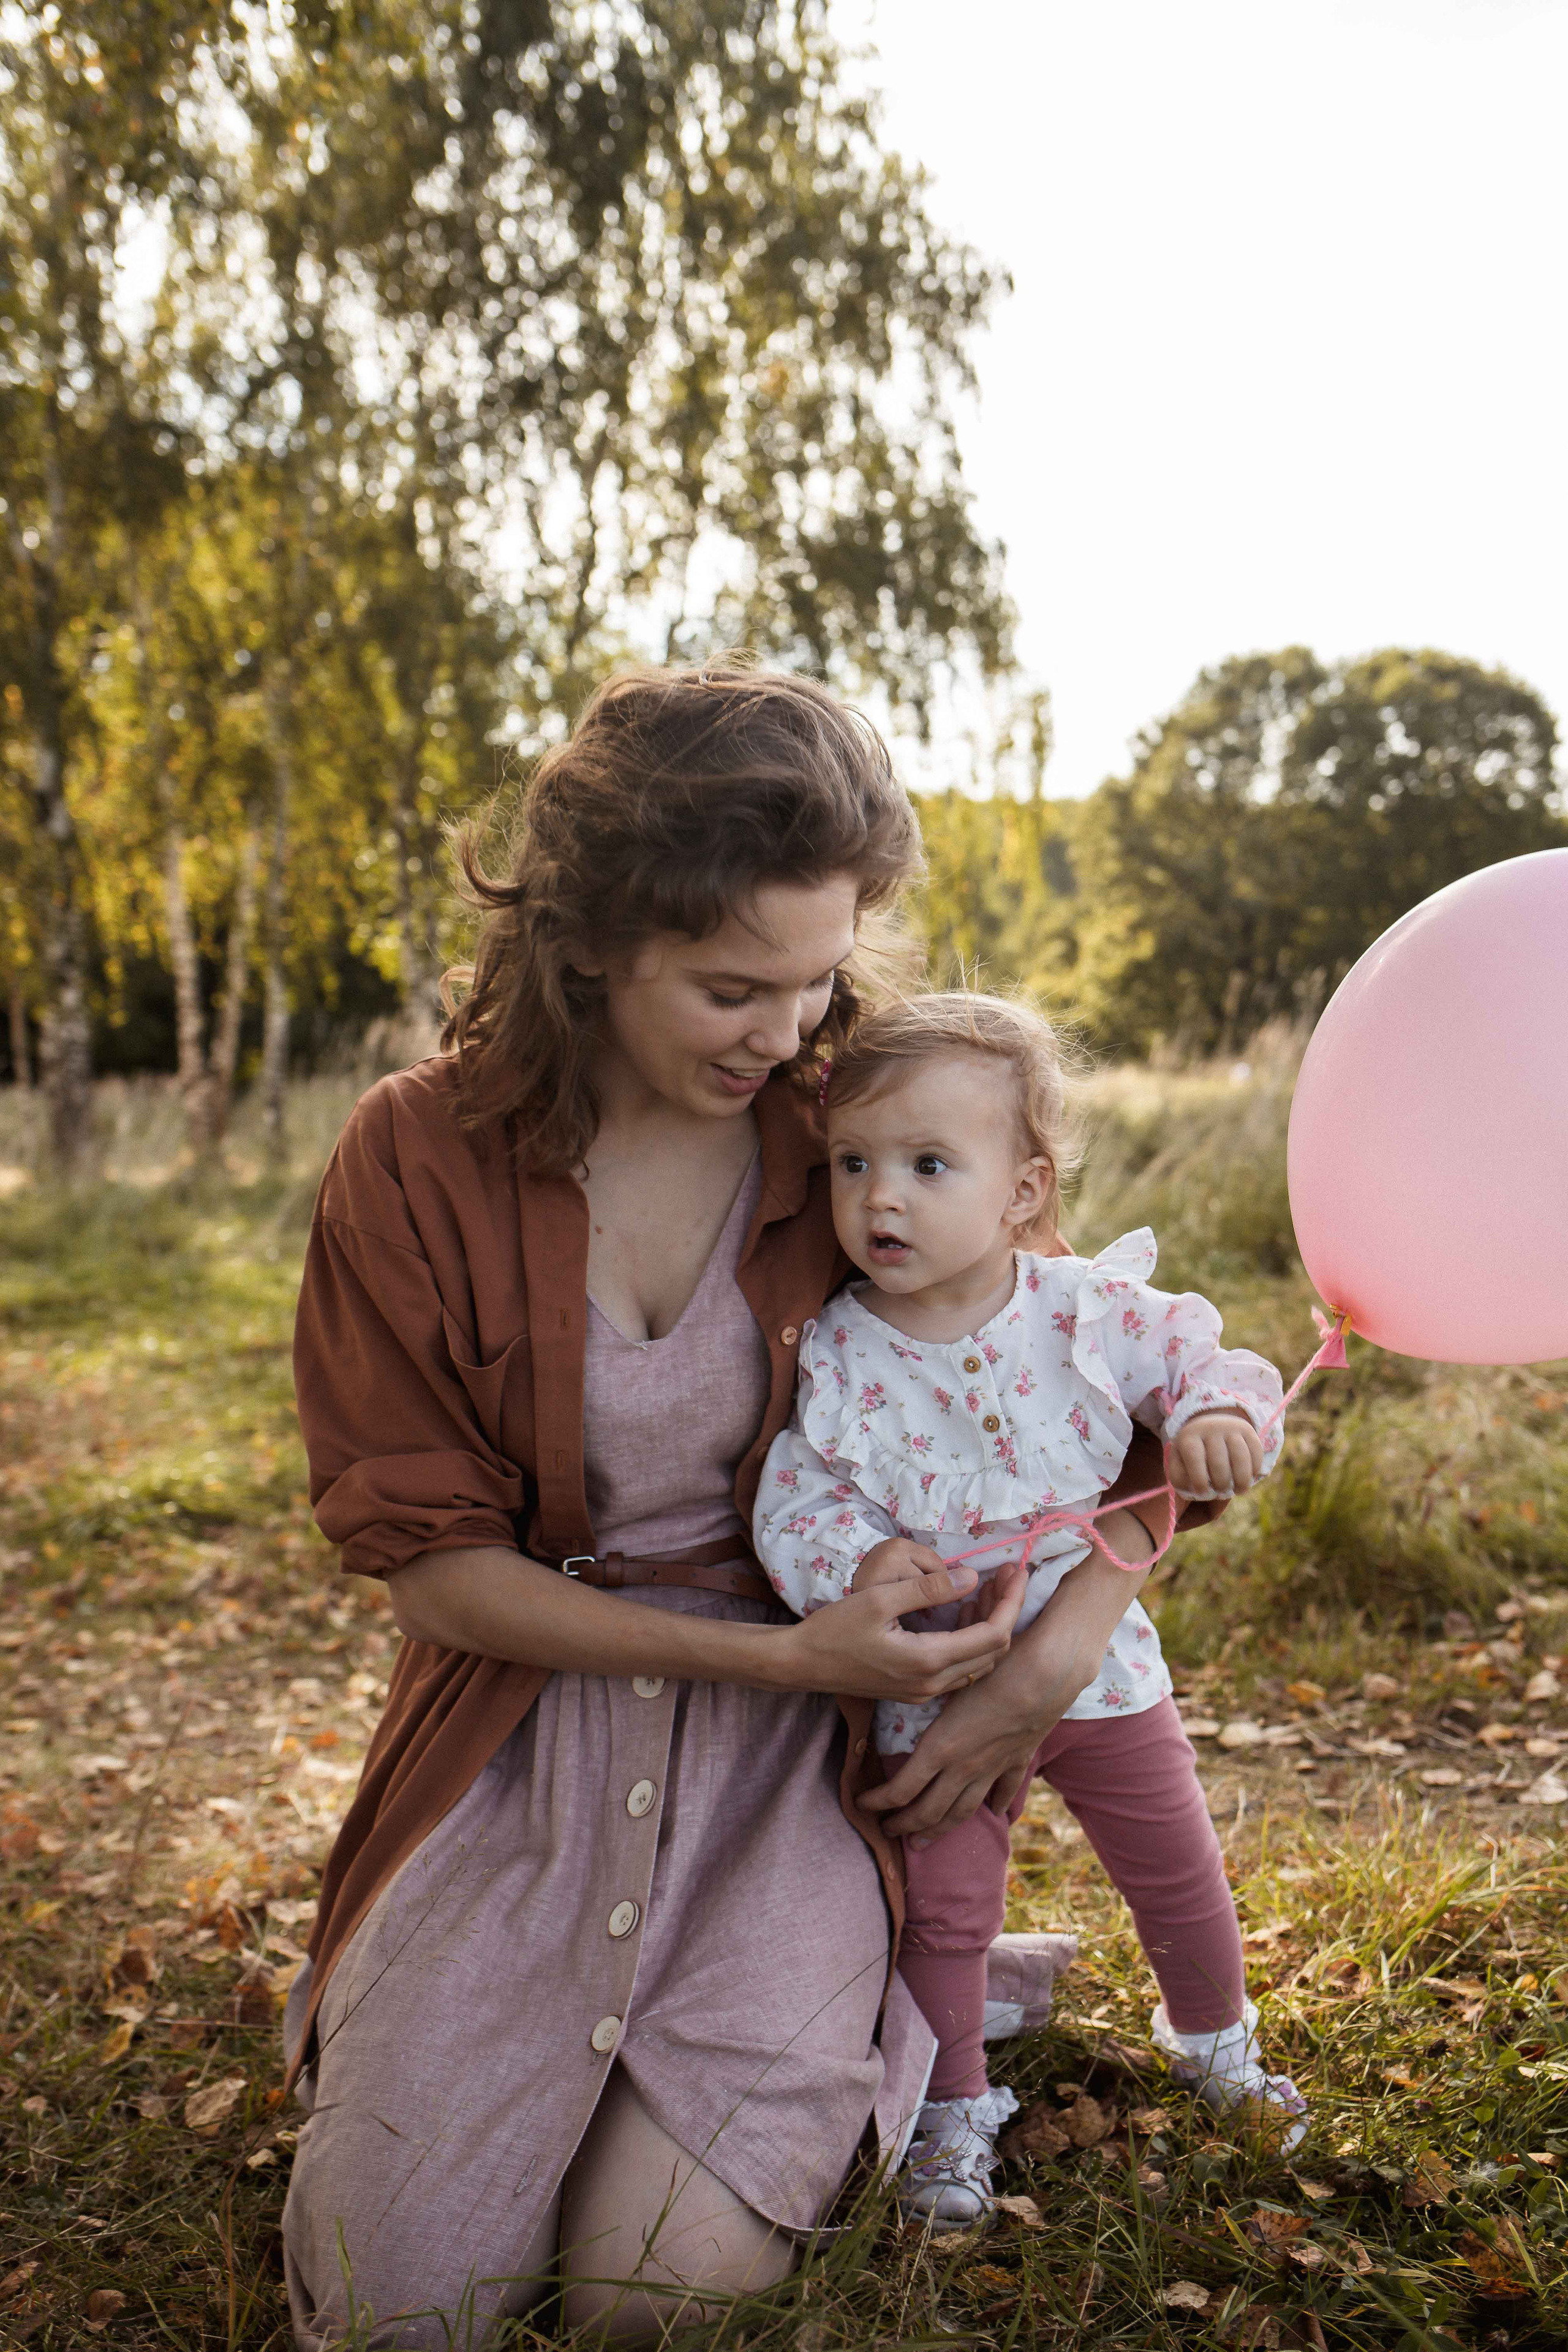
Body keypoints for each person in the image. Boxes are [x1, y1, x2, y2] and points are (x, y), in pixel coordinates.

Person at [280, 663, 1194, 2349]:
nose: (789, 1033)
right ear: (591, 941)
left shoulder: (845, 1133)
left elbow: (1092, 1392)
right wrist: (794, 1662)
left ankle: (873, 1993)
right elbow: (434, 1570)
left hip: (803, 1781)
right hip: (525, 1746)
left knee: (663, 2299)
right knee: (400, 2309)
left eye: (821, 978)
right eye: (732, 987)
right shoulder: (413, 1158)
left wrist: (1042, 1674)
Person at [753, 992, 1310, 2228]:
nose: (879, 1199)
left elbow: (1211, 1366)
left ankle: (1214, 2041)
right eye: (853, 1165)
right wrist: (858, 1564)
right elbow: (797, 1495)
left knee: (1174, 1871)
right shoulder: (842, 1351)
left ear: (1019, 1192)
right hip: (936, 1688)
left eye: (925, 1165)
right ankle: (951, 2111)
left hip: (1100, 1672)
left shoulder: (1083, 1312)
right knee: (943, 1916)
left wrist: (1219, 1417)